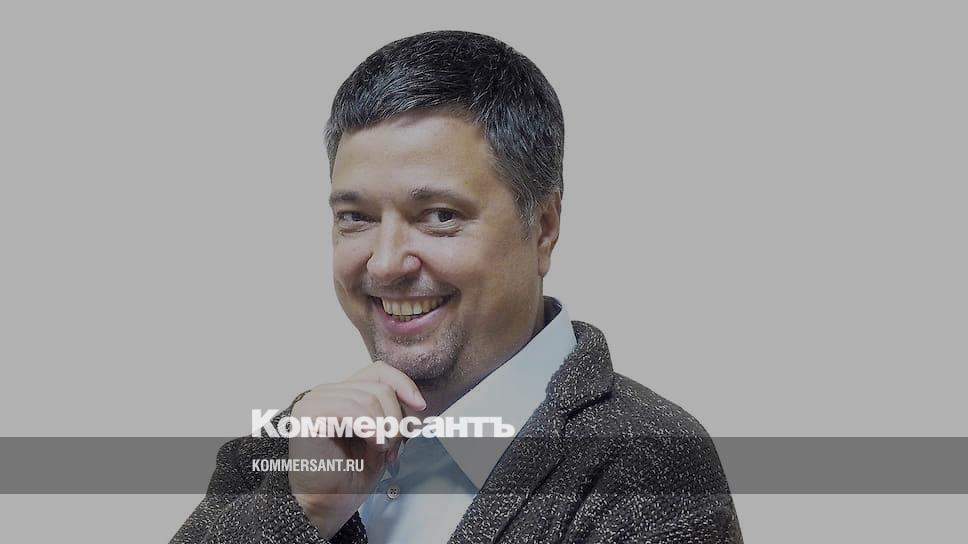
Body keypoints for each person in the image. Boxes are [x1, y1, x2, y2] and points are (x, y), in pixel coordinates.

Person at [173, 30, 743, 544]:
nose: (386, 263)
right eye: (355, 217)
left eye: (440, 216)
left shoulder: (650, 464)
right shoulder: (287, 445)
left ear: (544, 227)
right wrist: (300, 510)